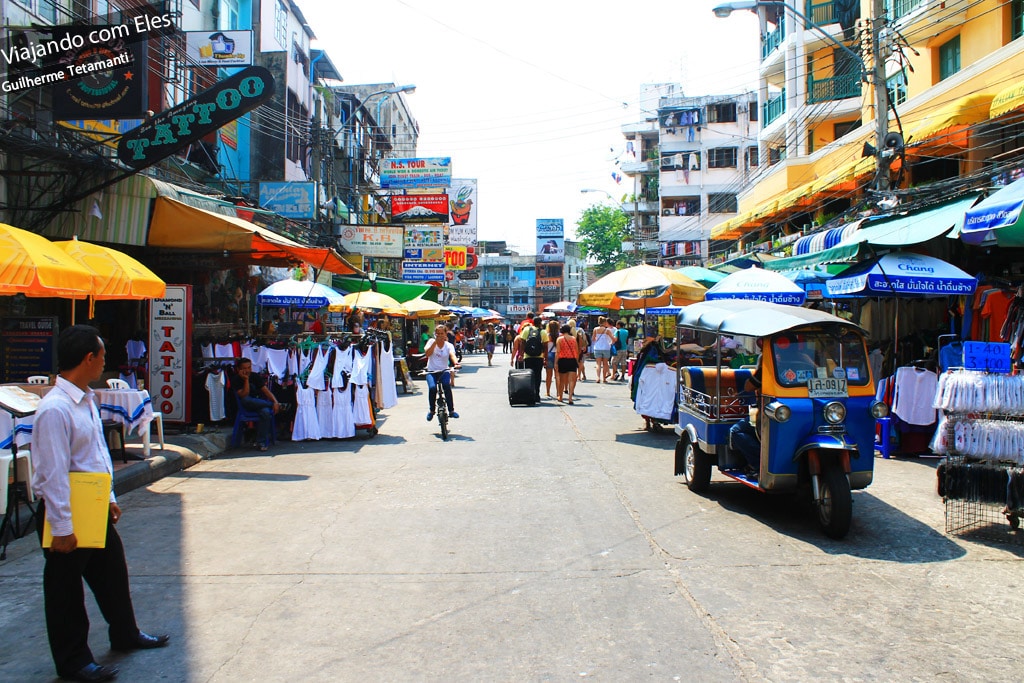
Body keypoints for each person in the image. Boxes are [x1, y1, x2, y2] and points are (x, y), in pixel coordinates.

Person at [31, 325, 169, 683]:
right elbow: (52, 474)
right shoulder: (55, 409)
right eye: (103, 356)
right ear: (89, 359)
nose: (105, 362)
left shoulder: (86, 398)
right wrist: (62, 528)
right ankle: (74, 661)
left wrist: (107, 499)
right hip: (65, 512)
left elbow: (95, 456)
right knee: (65, 592)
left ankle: (125, 633)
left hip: (91, 506)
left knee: (111, 574)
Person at [729, 340, 764, 477]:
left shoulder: (769, 367)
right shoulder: (805, 360)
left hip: (767, 412)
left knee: (735, 431)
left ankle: (757, 464)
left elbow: (749, 387)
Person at [232, 357, 281, 451]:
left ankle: (261, 442)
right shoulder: (236, 379)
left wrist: (275, 402)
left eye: (249, 367)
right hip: (246, 405)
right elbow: (244, 395)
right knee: (246, 399)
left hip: (259, 404)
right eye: (244, 368)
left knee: (266, 413)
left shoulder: (255, 376)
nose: (247, 370)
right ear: (239, 369)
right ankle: (271, 405)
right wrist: (246, 380)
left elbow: (266, 391)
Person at [424, 324, 460, 421]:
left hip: (444, 371)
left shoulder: (449, 345)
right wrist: (435, 343)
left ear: (445, 334)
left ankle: (451, 410)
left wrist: (456, 363)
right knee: (432, 388)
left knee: (446, 386)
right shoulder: (431, 342)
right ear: (435, 334)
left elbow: (452, 355)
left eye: (441, 333)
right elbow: (427, 354)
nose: (439, 335)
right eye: (437, 333)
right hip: (431, 371)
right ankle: (432, 411)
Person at [512, 313, 544, 401]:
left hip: (528, 356)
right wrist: (545, 358)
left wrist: (521, 355)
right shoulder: (543, 332)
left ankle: (531, 394)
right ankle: (537, 394)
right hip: (539, 357)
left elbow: (522, 343)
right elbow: (545, 346)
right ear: (540, 323)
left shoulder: (526, 329)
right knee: (538, 376)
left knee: (529, 376)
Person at [555, 323, 580, 404]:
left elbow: (558, 352)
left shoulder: (559, 339)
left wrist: (556, 362)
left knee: (562, 380)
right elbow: (576, 351)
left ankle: (561, 396)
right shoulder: (573, 339)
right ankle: (570, 398)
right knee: (571, 380)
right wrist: (577, 361)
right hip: (572, 360)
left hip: (563, 360)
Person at [591, 316, 615, 383]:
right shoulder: (607, 330)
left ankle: (598, 378)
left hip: (597, 347)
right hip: (606, 348)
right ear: (605, 322)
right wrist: (610, 343)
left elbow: (593, 339)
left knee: (598, 364)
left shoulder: (595, 329)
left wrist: (597, 340)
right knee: (605, 364)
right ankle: (604, 378)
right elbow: (613, 339)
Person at [544, 319, 559, 399]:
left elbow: (545, 347)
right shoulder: (559, 335)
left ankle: (548, 391)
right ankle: (558, 392)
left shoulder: (547, 335)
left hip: (549, 355)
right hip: (557, 355)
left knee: (548, 375)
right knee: (557, 375)